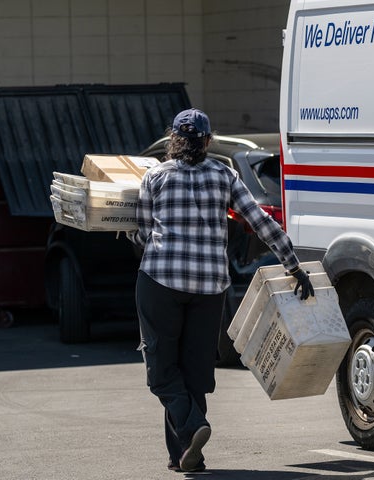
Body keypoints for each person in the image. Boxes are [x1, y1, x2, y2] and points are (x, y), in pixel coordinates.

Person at [128, 108, 314, 473]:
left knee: (163, 371)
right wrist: (294, 265)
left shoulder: (155, 176)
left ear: (173, 141)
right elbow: (261, 222)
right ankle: (183, 456)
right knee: (195, 371)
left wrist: (124, 231)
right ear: (208, 141)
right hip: (209, 288)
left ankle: (193, 427)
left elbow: (142, 234)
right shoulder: (224, 175)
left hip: (160, 283)